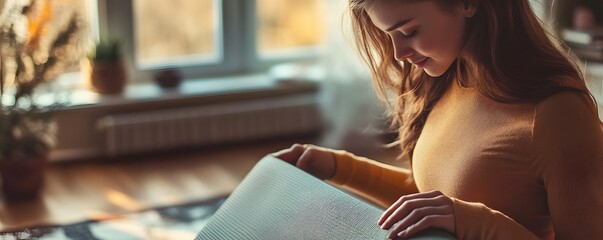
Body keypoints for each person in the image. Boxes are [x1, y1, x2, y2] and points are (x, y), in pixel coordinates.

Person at [273, 0, 603, 239]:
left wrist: (478, 223)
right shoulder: (450, 78)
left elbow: (458, 209)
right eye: (388, 35)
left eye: (408, 30)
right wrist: (335, 167)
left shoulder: (559, 115)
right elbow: (431, 198)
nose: (399, 52)